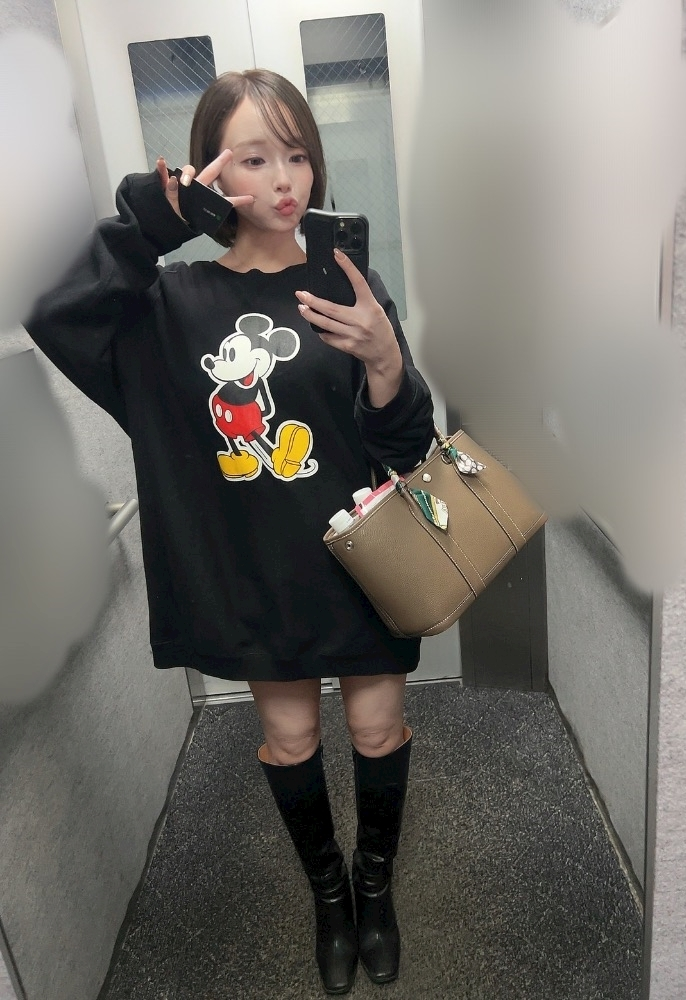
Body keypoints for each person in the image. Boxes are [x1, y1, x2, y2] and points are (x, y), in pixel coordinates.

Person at [24, 69, 434, 995]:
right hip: (251, 572)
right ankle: (329, 898)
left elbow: (407, 446)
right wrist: (151, 224)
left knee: (378, 729)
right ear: (211, 173)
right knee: (290, 741)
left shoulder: (347, 286)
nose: (285, 179)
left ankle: (375, 892)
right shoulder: (167, 307)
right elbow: (52, 308)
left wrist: (386, 362)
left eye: (297, 155)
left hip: (364, 561)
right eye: (254, 158)